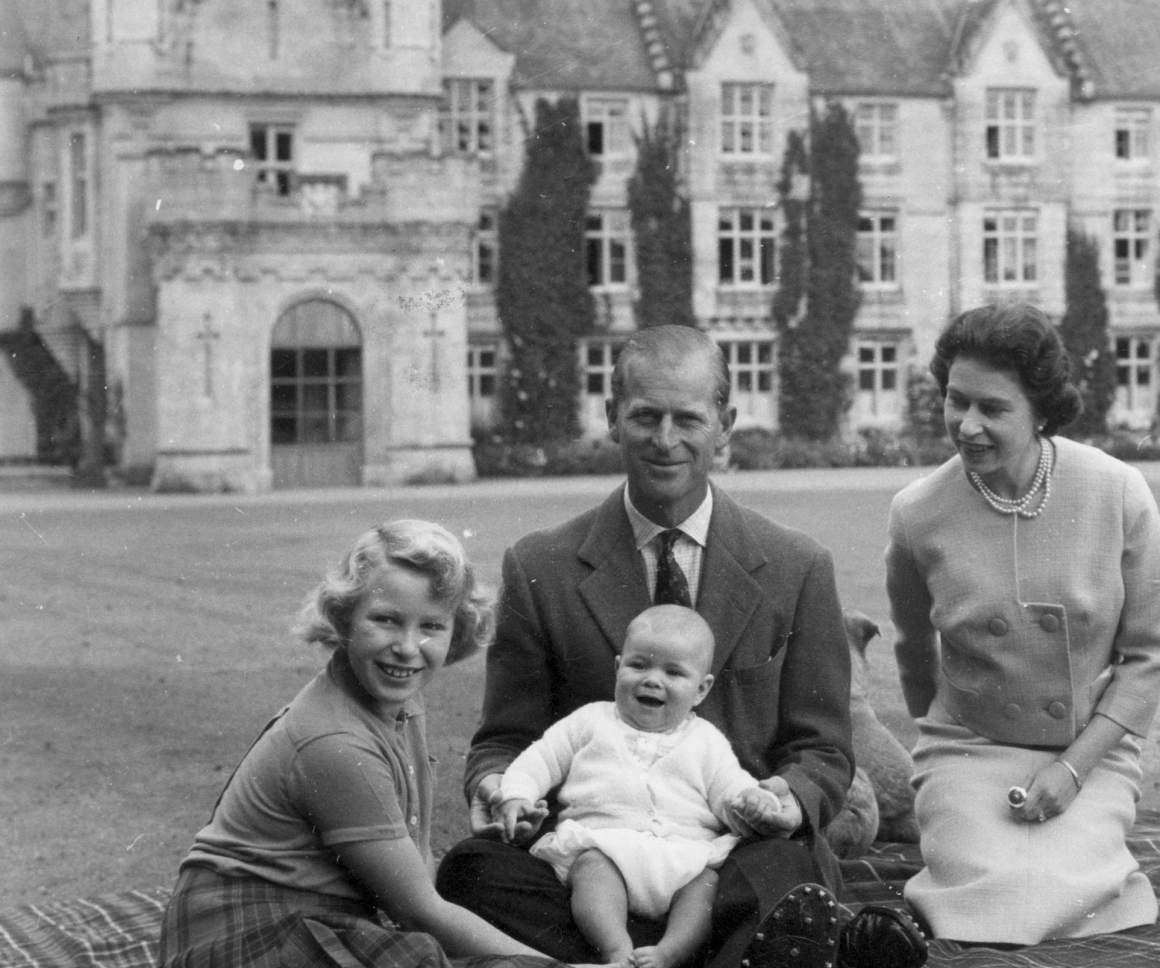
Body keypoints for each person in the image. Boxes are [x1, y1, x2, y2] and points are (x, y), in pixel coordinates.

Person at [436, 325, 925, 968]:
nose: (666, 440)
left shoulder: (796, 566)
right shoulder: (540, 566)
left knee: (786, 867)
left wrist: (788, 798)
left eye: (688, 419)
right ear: (612, 418)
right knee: (469, 872)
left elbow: (824, 748)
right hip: (594, 860)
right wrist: (498, 787)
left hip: (732, 854)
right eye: (645, 417)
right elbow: (505, 738)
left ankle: (633, 955)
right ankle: (724, 952)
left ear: (725, 424)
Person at [159, 519, 580, 968]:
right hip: (241, 934)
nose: (406, 647)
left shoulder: (402, 701)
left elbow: (417, 870)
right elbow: (419, 911)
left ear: (457, 631)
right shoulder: (336, 742)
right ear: (344, 618)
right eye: (385, 620)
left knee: (478, 880)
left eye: (431, 626)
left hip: (312, 915)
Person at [886, 303, 1160, 944]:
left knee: (1067, 892)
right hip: (968, 747)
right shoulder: (916, 513)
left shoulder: (1119, 493)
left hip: (1090, 752)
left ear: (1041, 410)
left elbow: (1151, 653)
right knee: (987, 887)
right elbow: (913, 651)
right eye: (955, 401)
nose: (967, 426)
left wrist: (1074, 768)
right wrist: (950, 748)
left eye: (992, 409)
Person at [496, 606, 787, 968]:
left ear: (701, 689)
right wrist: (517, 794)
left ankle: (669, 953)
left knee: (706, 886)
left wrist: (753, 800)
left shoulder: (706, 740)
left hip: (683, 857)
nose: (652, 680)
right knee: (591, 871)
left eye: (673, 672)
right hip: (607, 845)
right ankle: (616, 950)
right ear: (617, 668)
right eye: (638, 665)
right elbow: (540, 758)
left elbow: (730, 787)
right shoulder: (591, 721)